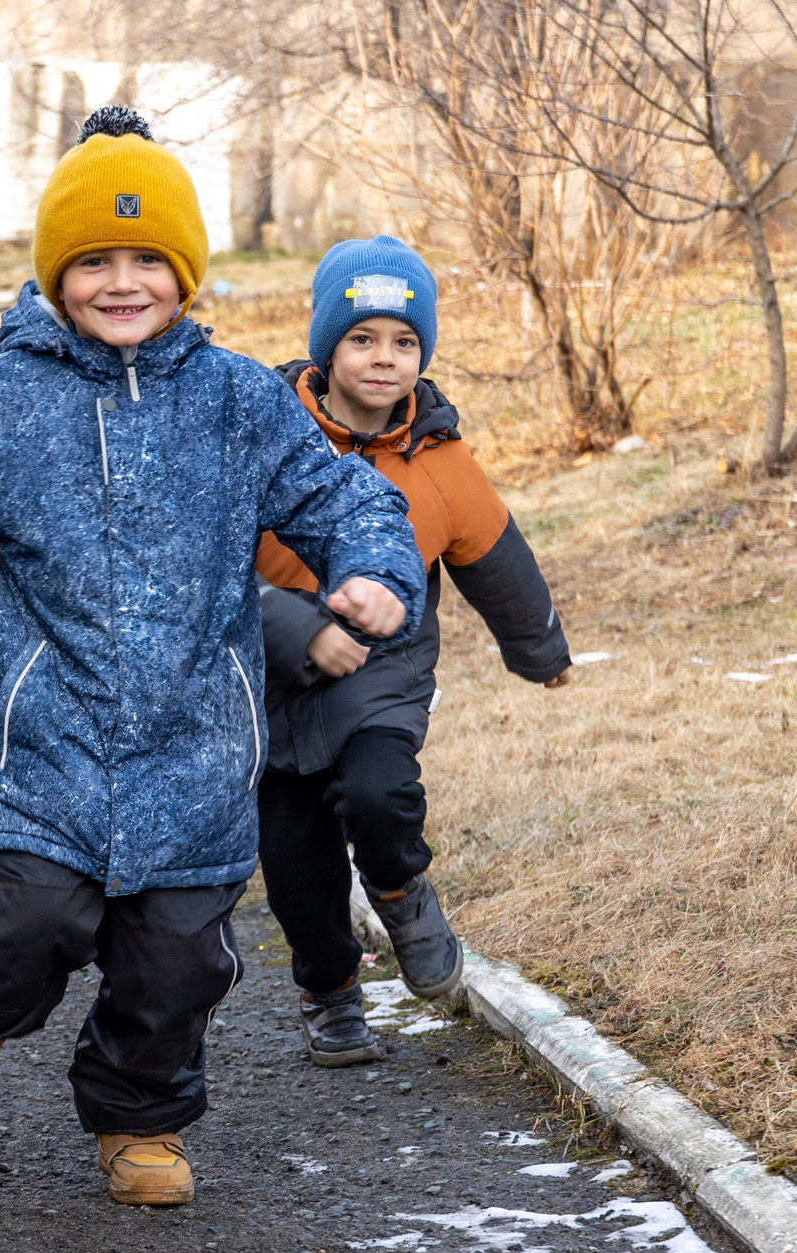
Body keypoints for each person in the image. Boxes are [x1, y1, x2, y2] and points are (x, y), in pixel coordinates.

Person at [0, 108, 428, 1208]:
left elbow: (344, 494)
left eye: (148, 259)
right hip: (37, 743)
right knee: (21, 924)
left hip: (194, 744)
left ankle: (138, 1118)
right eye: (94, 260)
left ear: (185, 272)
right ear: (55, 274)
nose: (123, 282)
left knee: (175, 966)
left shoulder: (240, 402)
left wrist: (373, 566)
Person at [254, 236, 573, 1065]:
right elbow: (210, 561)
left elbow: (502, 563)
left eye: (404, 342)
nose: (384, 359)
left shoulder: (440, 458)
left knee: (380, 790)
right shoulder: (264, 433)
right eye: (362, 339)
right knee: (294, 864)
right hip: (271, 674)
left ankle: (401, 892)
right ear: (326, 348)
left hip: (381, 668)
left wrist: (540, 650)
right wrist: (287, 628)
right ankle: (328, 989)